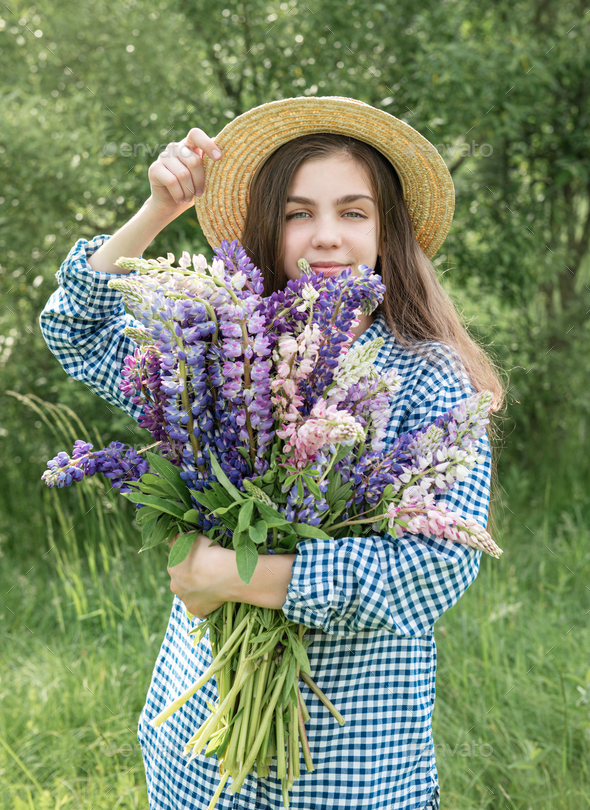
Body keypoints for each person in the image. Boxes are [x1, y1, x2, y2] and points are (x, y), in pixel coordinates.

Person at [39, 97, 505, 810]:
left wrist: (228, 573)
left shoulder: (428, 373)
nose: (325, 237)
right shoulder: (226, 348)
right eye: (297, 213)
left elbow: (432, 571)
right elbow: (78, 331)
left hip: (348, 764)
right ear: (268, 227)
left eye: (353, 212)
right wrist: (158, 209)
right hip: (198, 762)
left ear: (387, 232)